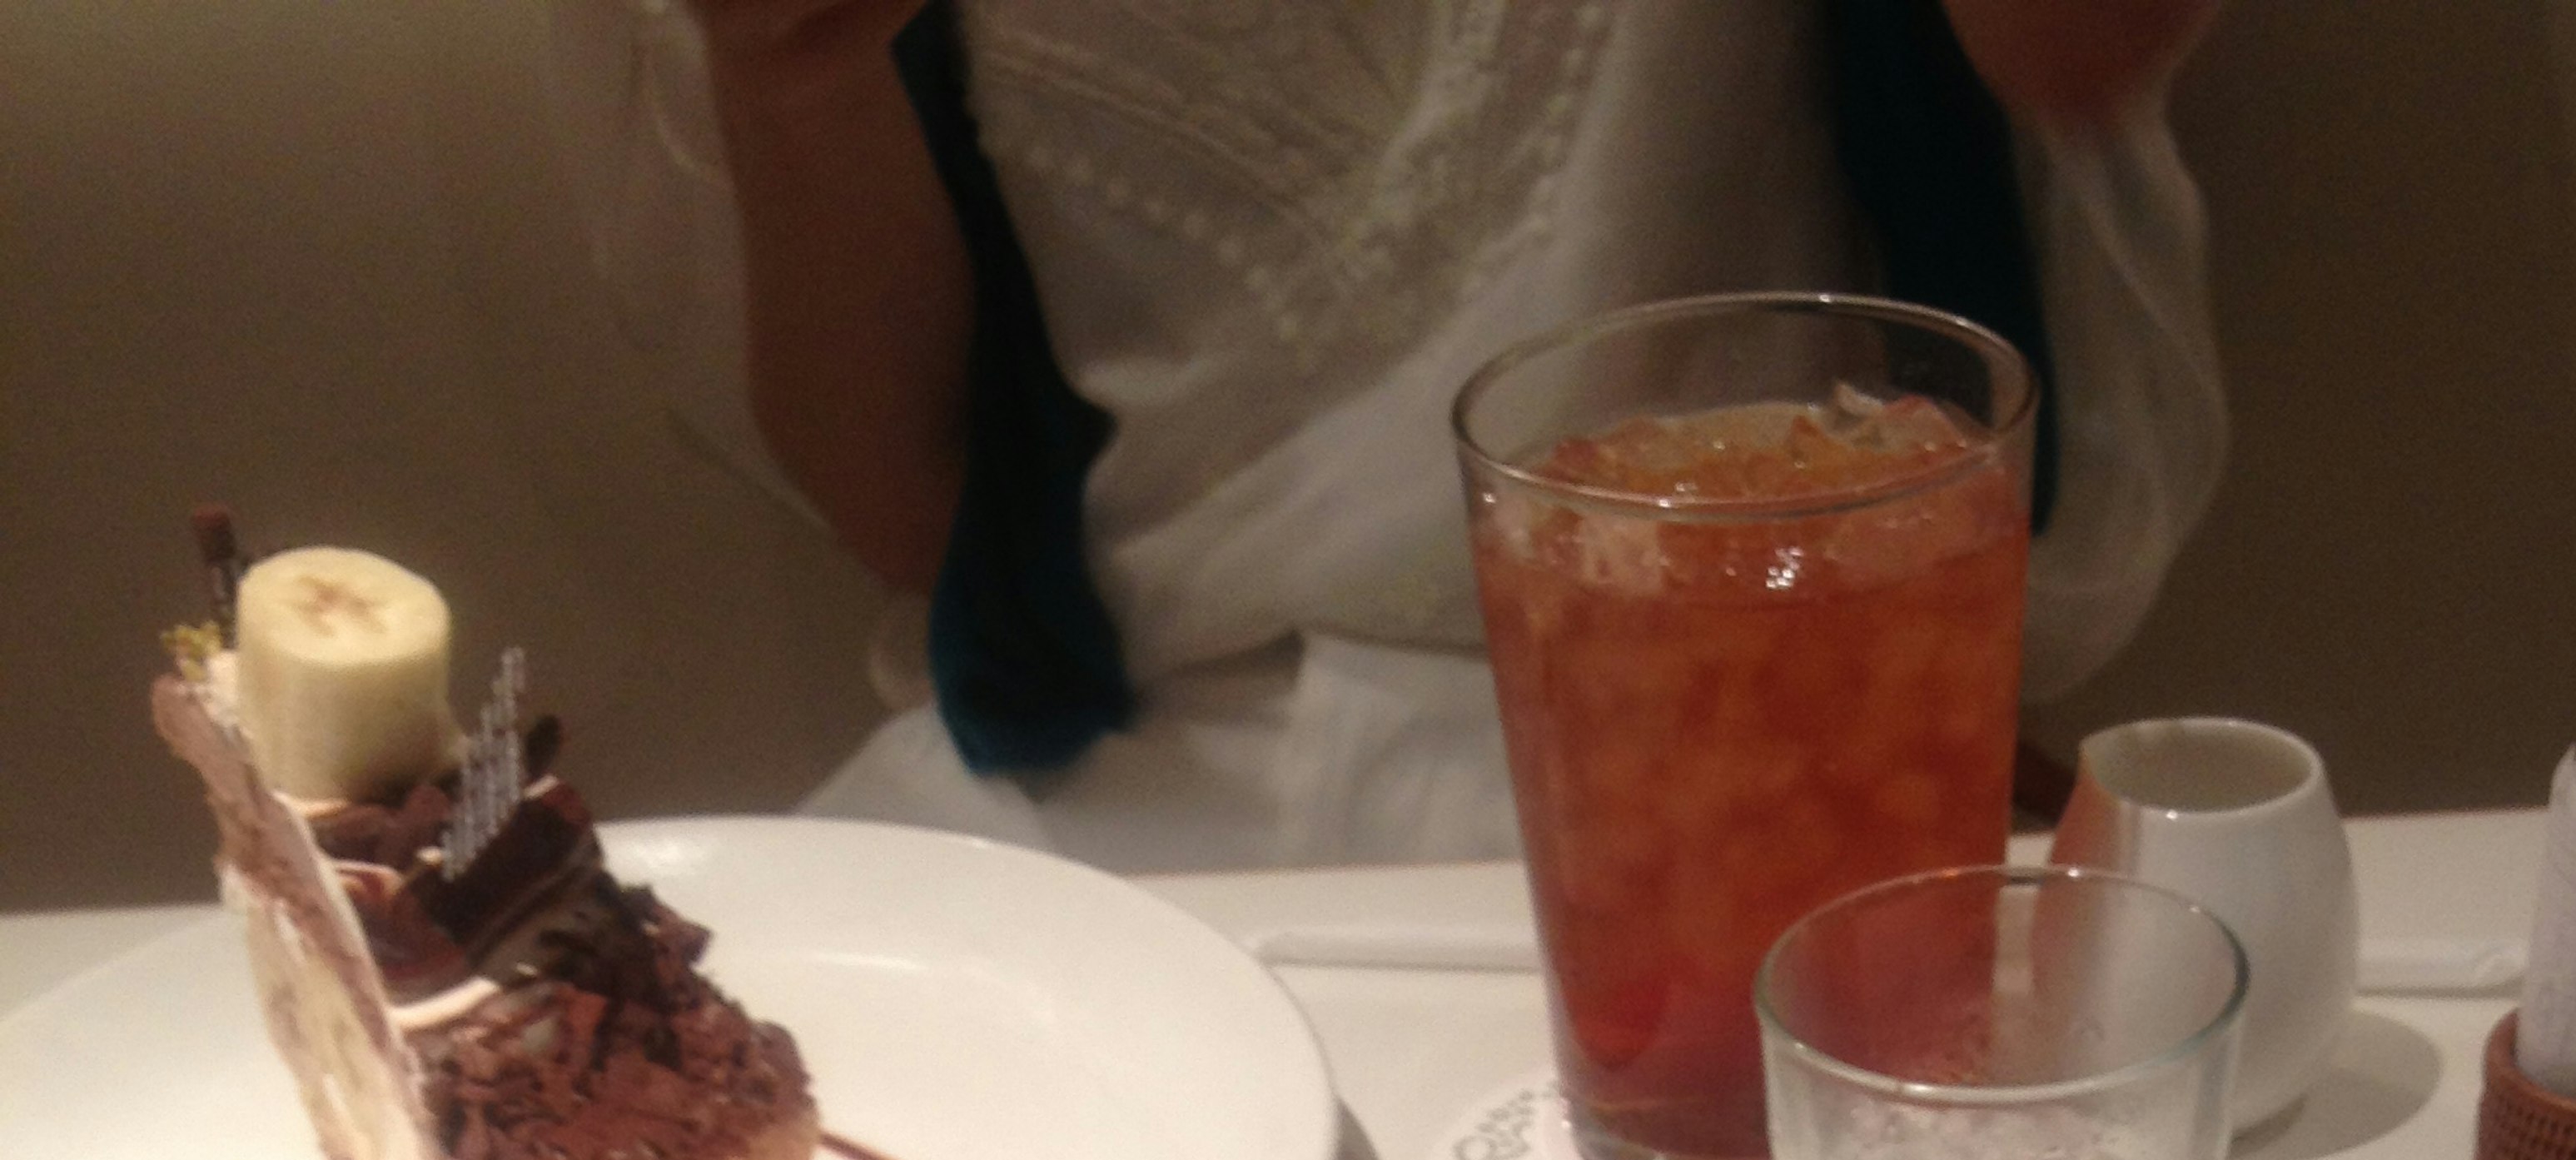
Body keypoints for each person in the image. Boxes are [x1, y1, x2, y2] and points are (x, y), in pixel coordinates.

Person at [556, 0, 2224, 869]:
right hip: (1115, 769)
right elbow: (908, 507)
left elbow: (2084, 46)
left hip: (1740, 719)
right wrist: (785, 80)